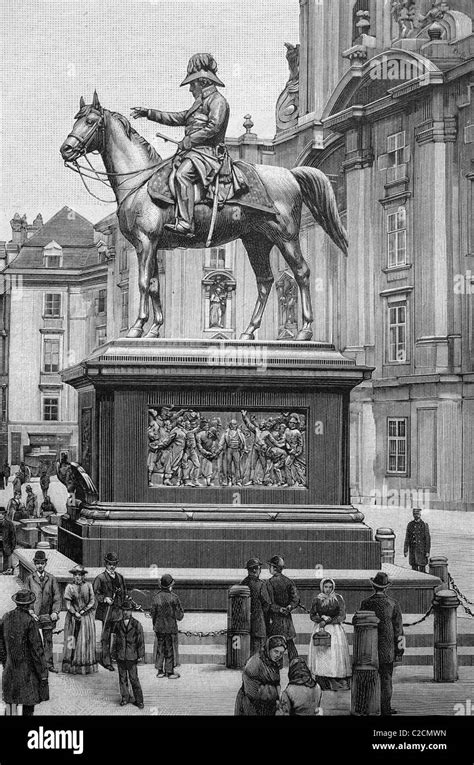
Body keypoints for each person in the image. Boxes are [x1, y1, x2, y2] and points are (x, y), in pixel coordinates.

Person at [131, 53, 230, 237]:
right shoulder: (199, 104)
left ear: (203, 82)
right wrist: (149, 113)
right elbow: (177, 118)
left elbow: (213, 128)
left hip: (208, 154)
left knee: (182, 175)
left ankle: (186, 223)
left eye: (193, 84)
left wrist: (188, 141)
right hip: (195, 153)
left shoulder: (218, 101)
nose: (190, 89)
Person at [359, 571, 404, 716]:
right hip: (387, 649)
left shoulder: (365, 603)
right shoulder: (393, 604)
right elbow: (399, 631)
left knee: (369, 678)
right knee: (386, 679)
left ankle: (368, 707)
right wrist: (399, 651)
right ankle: (385, 709)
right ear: (386, 588)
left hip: (368, 648)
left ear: (374, 586)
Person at [0, 589, 49, 715]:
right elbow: (37, 651)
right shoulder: (30, 621)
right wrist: (43, 674)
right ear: (29, 604)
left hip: (9, 672)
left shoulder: (6, 617)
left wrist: (5, 662)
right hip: (27, 675)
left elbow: (1, 645)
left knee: (11, 707)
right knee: (28, 707)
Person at [307, 577, 351, 690]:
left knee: (333, 654)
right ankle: (322, 680)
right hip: (321, 628)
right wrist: (320, 619)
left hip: (334, 630)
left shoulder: (338, 598)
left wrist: (329, 620)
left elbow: (342, 615)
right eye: (326, 587)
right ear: (322, 587)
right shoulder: (317, 599)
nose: (328, 589)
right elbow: (312, 615)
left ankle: (335, 679)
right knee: (321, 653)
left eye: (330, 587)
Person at [26, 550, 62, 672]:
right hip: (34, 616)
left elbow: (57, 597)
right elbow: (26, 597)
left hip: (47, 615)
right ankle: (35, 665)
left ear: (45, 563)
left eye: (42, 563)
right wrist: (30, 612)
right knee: (34, 641)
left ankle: (48, 664)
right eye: (37, 563)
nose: (40, 565)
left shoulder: (51, 579)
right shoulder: (30, 579)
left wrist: (55, 612)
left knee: (48, 640)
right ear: (34, 564)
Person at [234, 635, 287, 716]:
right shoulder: (255, 663)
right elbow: (251, 690)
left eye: (281, 653)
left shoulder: (273, 663)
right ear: (269, 649)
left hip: (267, 705)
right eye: (276, 651)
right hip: (252, 705)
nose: (278, 655)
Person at [262, 555, 300, 661]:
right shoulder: (289, 582)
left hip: (274, 621)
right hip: (287, 620)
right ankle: (296, 666)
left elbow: (267, 604)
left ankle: (275, 668)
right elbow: (296, 599)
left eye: (270, 566)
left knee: (275, 645)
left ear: (273, 568)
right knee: (290, 645)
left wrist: (278, 609)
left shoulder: (268, 583)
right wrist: (289, 607)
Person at [93, 552, 127, 671]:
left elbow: (124, 593)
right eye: (109, 564)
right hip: (106, 612)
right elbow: (96, 593)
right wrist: (104, 599)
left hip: (118, 612)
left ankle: (117, 657)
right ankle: (106, 661)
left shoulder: (120, 577)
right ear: (105, 564)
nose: (112, 566)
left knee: (119, 636)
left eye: (114, 564)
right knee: (106, 637)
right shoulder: (100, 578)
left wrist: (122, 603)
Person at [62, 565, 98, 675]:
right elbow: (68, 604)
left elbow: (92, 601)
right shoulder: (69, 587)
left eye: (80, 575)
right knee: (71, 640)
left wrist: (82, 611)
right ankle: (70, 665)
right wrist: (75, 612)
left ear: (83, 576)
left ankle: (85, 666)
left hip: (86, 618)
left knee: (85, 641)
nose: (77, 577)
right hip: (72, 618)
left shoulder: (88, 586)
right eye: (76, 575)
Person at [111, 597, 145, 708]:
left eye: (128, 610)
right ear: (121, 611)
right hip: (121, 655)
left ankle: (139, 700)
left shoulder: (137, 624)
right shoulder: (117, 624)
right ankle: (125, 697)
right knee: (122, 678)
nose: (126, 612)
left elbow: (140, 641)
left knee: (134, 679)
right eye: (124, 610)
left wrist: (140, 655)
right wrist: (113, 654)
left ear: (131, 611)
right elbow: (115, 640)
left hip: (132, 656)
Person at [151, 573, 184, 679]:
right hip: (170, 629)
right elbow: (179, 616)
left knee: (160, 649)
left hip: (159, 628)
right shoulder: (174, 598)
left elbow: (153, 614)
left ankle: (160, 671)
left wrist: (155, 625)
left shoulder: (156, 597)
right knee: (170, 649)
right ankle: (169, 672)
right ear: (170, 585)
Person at [240, 558, 267, 655]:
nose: (255, 571)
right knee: (258, 648)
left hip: (245, 623)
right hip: (258, 623)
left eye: (256, 568)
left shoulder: (243, 583)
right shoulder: (261, 585)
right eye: (253, 569)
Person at [404, 508, 431, 572]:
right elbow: (407, 538)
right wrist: (405, 550)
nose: (416, 515)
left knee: (422, 568)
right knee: (414, 568)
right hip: (413, 550)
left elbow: (427, 539)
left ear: (420, 514)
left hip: (422, 551)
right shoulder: (410, 525)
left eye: (417, 514)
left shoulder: (424, 525)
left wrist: (427, 551)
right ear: (413, 515)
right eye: (415, 514)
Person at [0, 506, 16, 575]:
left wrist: (12, 548)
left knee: (7, 563)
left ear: (4, 515)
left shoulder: (9, 524)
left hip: (6, 546)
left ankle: (7, 570)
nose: (0, 515)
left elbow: (13, 537)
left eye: (2, 514)